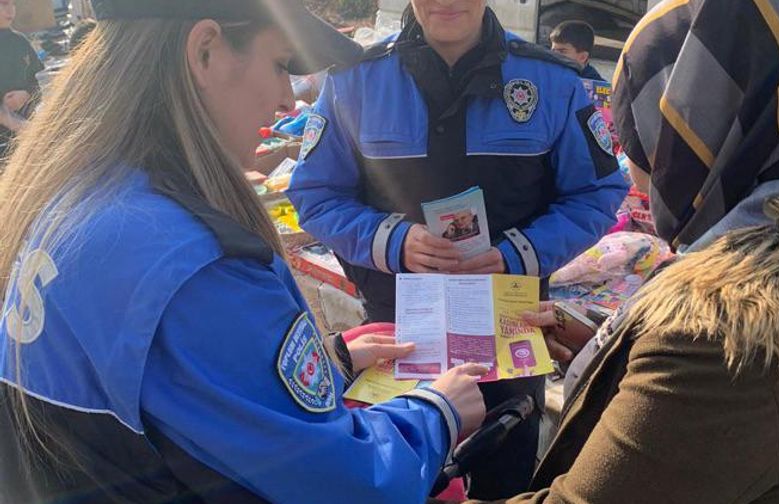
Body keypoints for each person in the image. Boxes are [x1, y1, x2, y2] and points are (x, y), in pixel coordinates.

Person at [0, 1, 490, 503]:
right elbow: (347, 484)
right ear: (206, 51)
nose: (286, 100)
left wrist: (328, 361)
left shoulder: (77, 199)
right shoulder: (189, 259)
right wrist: (437, 411)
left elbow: (171, 389)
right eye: (280, 64)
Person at [457, 0, 779, 502]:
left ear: (703, 132)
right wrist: (615, 355)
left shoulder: (727, 333)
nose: (639, 170)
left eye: (646, 134)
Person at [287, 0, 628, 498]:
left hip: (510, 334)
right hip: (397, 336)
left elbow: (598, 194)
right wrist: (392, 240)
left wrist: (521, 252)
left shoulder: (551, 81)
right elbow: (315, 195)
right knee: (403, 480)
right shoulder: (354, 81)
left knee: (504, 481)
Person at [0, 0, 43, 160]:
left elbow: (38, 81)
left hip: (27, 134)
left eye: (12, 4)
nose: (10, 9)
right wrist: (8, 118)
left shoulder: (20, 42)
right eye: (4, 4)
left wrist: (27, 94)